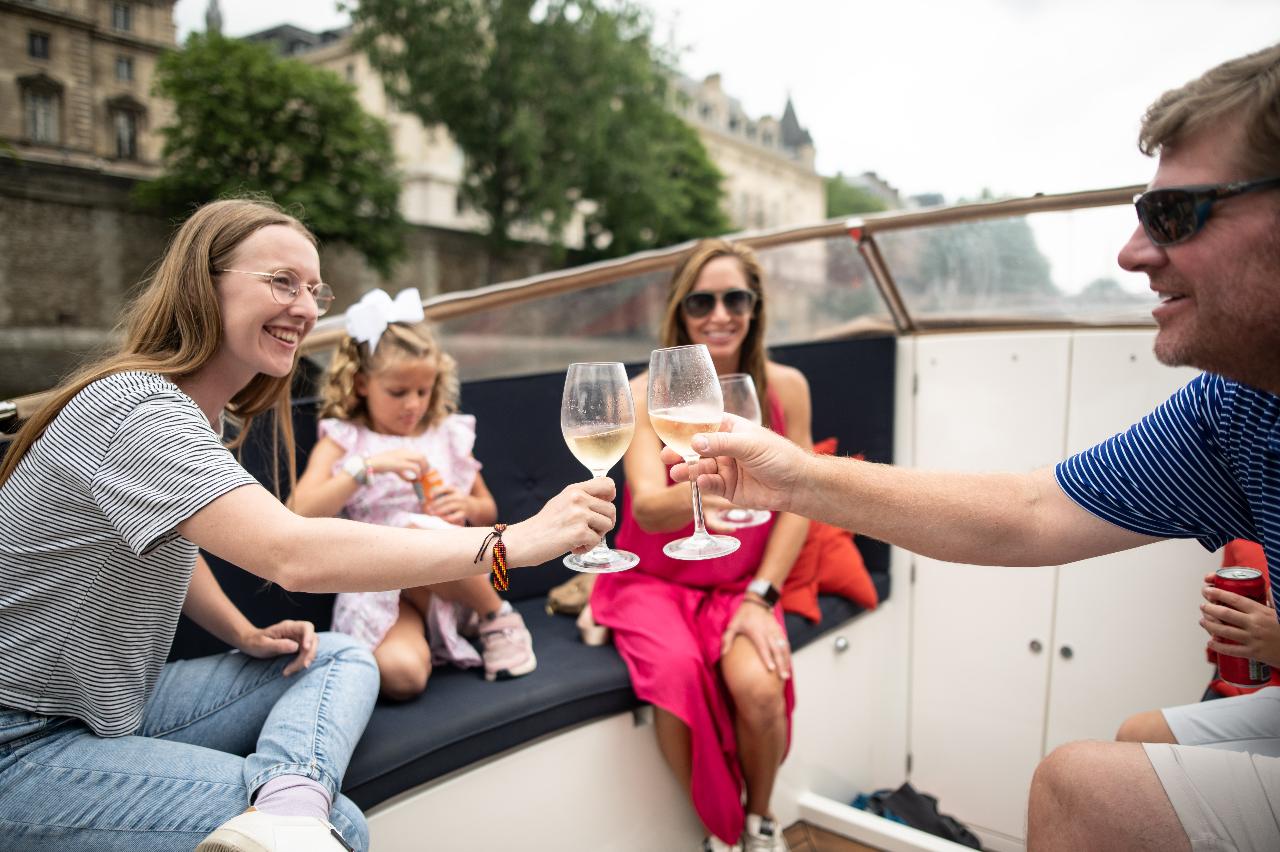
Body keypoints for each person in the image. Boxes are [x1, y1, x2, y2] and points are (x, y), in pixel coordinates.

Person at [668, 43, 1280, 851]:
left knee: (1082, 789)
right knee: (1139, 737)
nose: (1132, 253)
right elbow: (1032, 511)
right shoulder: (1237, 408)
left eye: (1175, 215)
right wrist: (796, 481)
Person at [0, 198, 614, 852]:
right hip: (23, 738)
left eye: (314, 290)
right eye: (281, 282)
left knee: (341, 654)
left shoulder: (194, 415)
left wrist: (241, 632)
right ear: (202, 285)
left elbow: (165, 544)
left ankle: (290, 798)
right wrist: (510, 544)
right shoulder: (137, 410)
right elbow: (287, 550)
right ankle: (296, 817)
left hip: (119, 707)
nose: (306, 307)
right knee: (337, 830)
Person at [590, 239, 813, 852]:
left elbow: (799, 504)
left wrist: (762, 597)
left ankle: (759, 824)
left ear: (756, 307)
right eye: (701, 301)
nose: (720, 314)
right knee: (678, 672)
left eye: (735, 298)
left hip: (740, 584)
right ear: (680, 312)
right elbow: (649, 506)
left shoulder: (786, 389)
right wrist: (720, 492)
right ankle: (720, 834)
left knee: (761, 685)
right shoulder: (642, 396)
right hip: (652, 580)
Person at [289, 289, 535, 695]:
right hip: (380, 582)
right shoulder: (345, 439)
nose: (414, 405)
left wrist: (466, 505)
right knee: (400, 678)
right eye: (398, 392)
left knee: (420, 532)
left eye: (423, 391)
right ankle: (439, 632)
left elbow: (488, 509)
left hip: (451, 580)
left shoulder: (446, 432)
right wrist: (366, 467)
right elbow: (298, 513)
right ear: (363, 383)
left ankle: (497, 616)